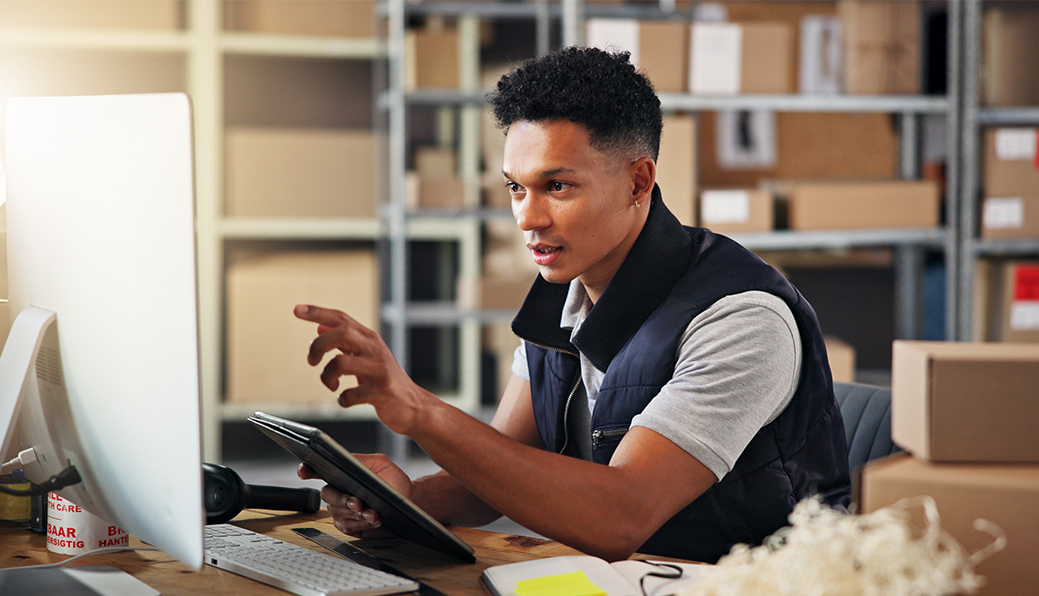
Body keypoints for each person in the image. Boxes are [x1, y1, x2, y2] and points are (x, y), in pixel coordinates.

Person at [295, 47, 850, 563]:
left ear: (638, 182)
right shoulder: (565, 292)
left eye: (556, 186)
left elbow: (622, 515)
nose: (526, 218)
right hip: (633, 590)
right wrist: (400, 499)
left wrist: (419, 411)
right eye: (516, 188)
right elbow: (493, 473)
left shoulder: (741, 317)